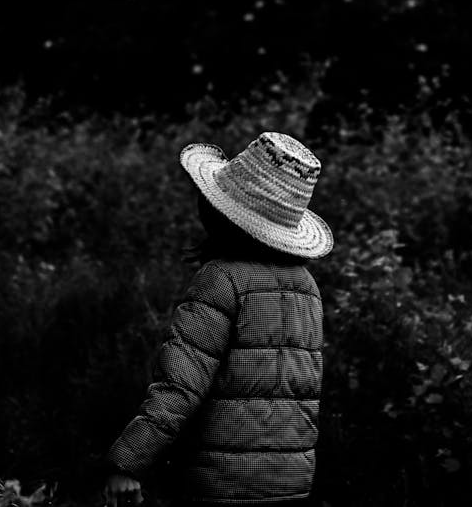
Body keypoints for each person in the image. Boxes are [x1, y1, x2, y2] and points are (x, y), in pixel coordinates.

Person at [103, 132, 334, 507]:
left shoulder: (222, 278)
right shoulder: (307, 286)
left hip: (222, 486)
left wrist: (127, 462)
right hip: (291, 483)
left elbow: (180, 387)